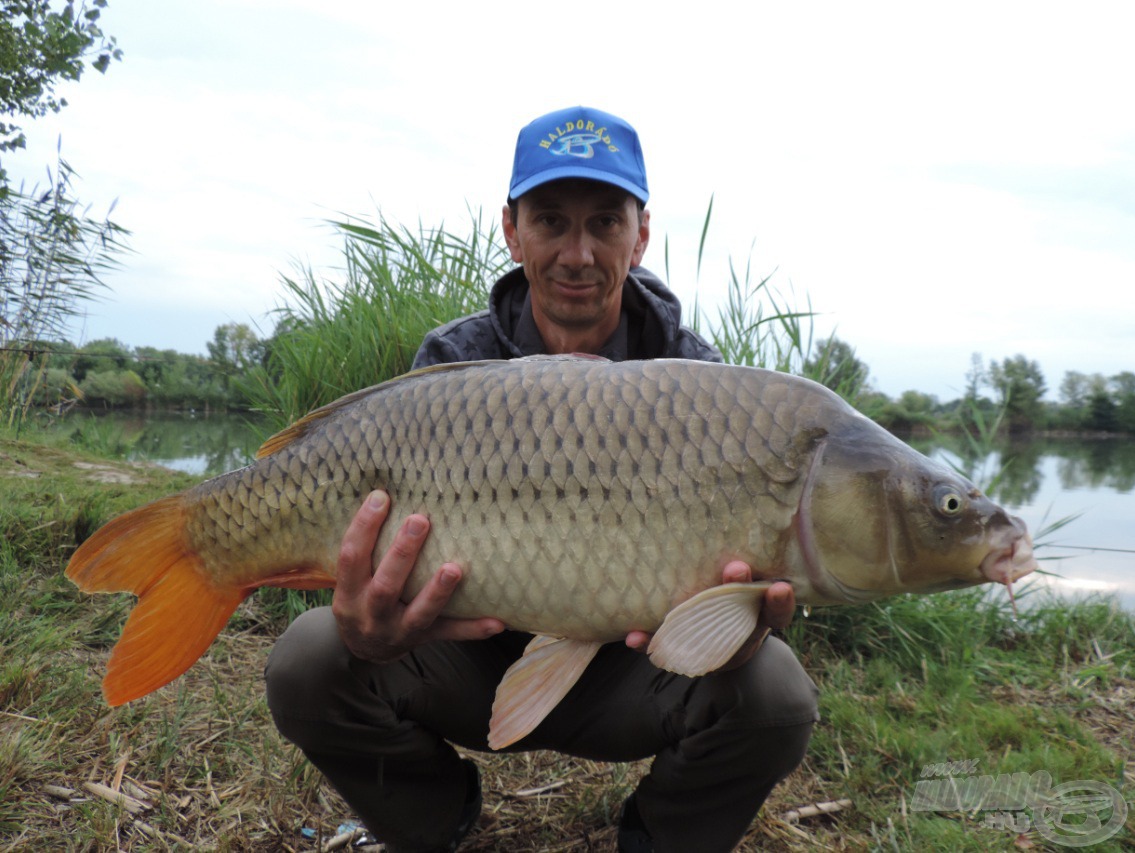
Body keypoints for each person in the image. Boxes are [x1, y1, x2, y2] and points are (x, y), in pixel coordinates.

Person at [265, 106, 819, 853]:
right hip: (464, 649)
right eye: (551, 221)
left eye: (604, 223)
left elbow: (733, 603)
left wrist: (732, 625)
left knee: (775, 691)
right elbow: (381, 570)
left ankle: (658, 841)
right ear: (511, 229)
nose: (577, 253)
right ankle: (432, 819)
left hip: (633, 666)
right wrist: (374, 625)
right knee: (312, 656)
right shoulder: (453, 363)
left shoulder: (704, 385)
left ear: (641, 232)